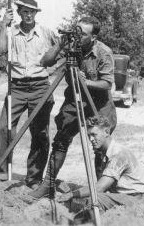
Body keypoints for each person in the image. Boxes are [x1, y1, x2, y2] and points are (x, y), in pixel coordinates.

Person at [30, 16, 118, 199]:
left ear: (93, 37)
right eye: (76, 30)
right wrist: (60, 46)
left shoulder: (103, 52)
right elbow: (45, 62)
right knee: (61, 140)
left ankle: (101, 191)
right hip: (74, 101)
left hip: (98, 103)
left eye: (82, 33)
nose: (77, 36)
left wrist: (86, 82)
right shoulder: (70, 47)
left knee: (100, 146)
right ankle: (48, 184)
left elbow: (107, 83)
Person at [0, 0, 59, 188]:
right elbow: (0, 51)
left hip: (40, 86)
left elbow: (62, 49)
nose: (28, 14)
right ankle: (1, 174)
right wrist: (2, 26)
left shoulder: (47, 32)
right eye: (25, 11)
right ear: (19, 12)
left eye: (32, 11)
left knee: (40, 133)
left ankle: (34, 178)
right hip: (17, 87)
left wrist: (54, 67)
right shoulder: (11, 31)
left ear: (36, 13)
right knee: (4, 129)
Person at [56, 115, 144, 221]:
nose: (91, 139)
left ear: (106, 132)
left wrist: (71, 194)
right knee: (75, 189)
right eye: (89, 136)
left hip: (138, 199)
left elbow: (99, 188)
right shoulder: (106, 153)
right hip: (123, 196)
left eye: (94, 135)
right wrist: (72, 189)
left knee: (95, 199)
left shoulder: (118, 154)